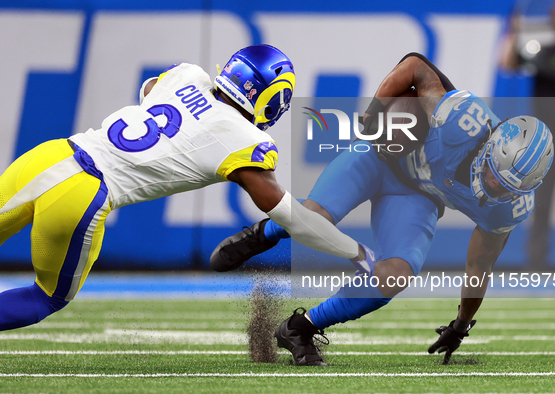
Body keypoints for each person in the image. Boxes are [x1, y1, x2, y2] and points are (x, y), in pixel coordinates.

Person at [0, 44, 377, 331]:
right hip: (82, 195)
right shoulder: (244, 140)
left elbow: (150, 90)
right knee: (46, 297)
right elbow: (293, 219)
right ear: (270, 98)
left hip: (48, 157)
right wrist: (355, 251)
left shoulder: (187, 75)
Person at [210, 52, 555, 366]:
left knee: (396, 273)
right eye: (495, 174)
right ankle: (265, 232)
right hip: (379, 159)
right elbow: (416, 66)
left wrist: (461, 325)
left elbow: (479, 265)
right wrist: (376, 112)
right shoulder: (461, 119)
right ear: (492, 145)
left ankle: (300, 327)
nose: (495, 186)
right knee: (315, 219)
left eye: (507, 186)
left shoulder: (510, 207)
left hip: (417, 197)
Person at [500, 0, 555, 268]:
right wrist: (513, 32)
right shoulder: (543, 54)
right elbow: (507, 63)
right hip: (546, 145)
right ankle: (537, 263)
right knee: (542, 206)